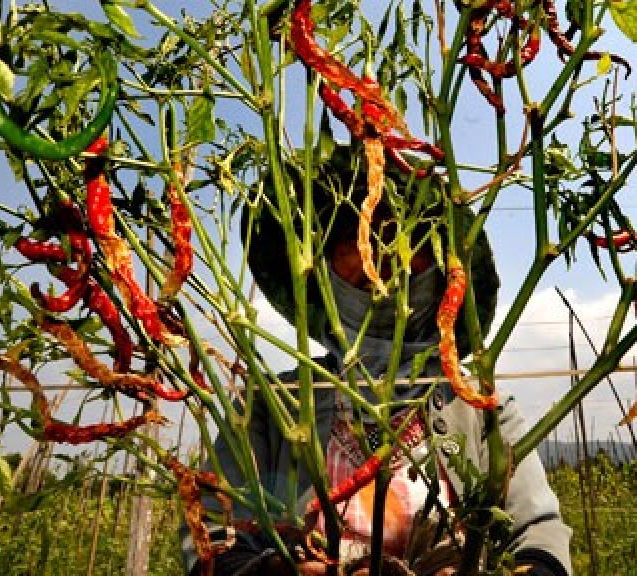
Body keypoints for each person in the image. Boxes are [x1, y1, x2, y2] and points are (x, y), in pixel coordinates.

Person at [181, 146, 571, 576]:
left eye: (409, 239)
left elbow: (539, 532)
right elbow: (214, 538)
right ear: (320, 270)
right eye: (356, 241)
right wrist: (272, 571)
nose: (383, 260)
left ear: (443, 274)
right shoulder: (271, 406)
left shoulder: (485, 412)